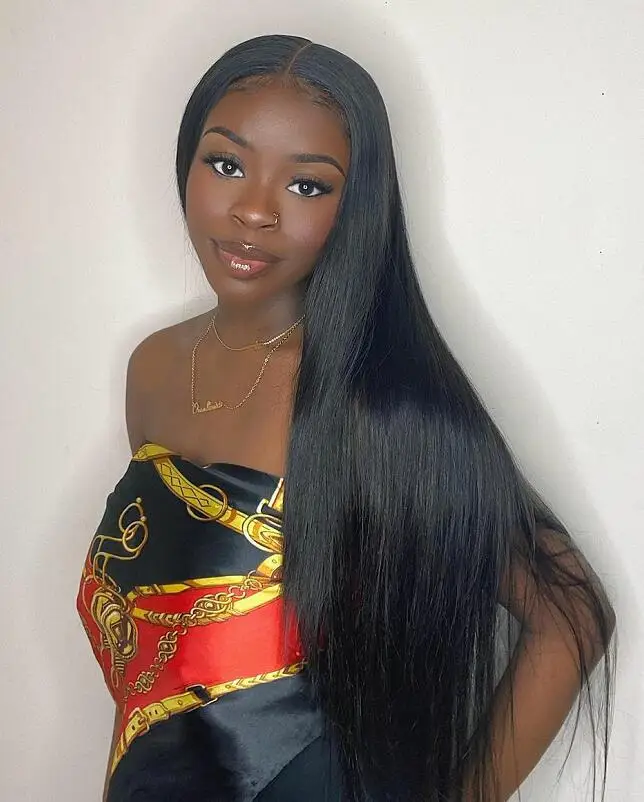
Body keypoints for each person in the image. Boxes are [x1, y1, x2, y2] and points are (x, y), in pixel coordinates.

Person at [76, 34, 616, 802]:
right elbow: (158, 671)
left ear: (355, 206)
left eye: (307, 185)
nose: (254, 210)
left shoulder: (378, 404)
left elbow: (571, 612)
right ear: (185, 162)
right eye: (226, 164)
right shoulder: (155, 367)